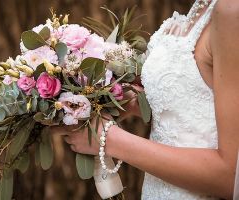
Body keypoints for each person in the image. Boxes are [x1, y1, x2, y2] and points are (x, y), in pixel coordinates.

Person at [52, 0, 239, 199]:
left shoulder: (231, 10)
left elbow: (230, 177)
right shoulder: (206, 5)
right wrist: (137, 100)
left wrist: (109, 139)